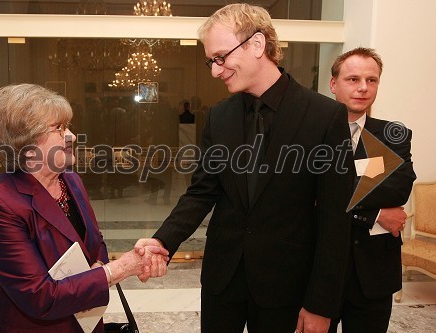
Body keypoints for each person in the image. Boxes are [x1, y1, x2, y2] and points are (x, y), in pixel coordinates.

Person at [135, 4, 354, 333]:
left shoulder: (324, 117)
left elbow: (336, 220)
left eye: (220, 57)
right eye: (211, 61)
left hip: (287, 287)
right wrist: (162, 242)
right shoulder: (220, 116)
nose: (215, 70)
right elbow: (201, 192)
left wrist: (322, 304)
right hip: (223, 282)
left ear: (256, 45)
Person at [0, 84, 168, 333]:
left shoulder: (70, 179)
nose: (72, 136)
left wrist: (101, 270)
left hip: (83, 322)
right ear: (26, 140)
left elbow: (95, 241)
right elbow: (40, 296)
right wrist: (120, 268)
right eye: (59, 128)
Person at [328, 47, 416, 333]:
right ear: (334, 84)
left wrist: (339, 186)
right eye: (353, 79)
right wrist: (375, 214)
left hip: (375, 271)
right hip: (321, 270)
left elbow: (397, 188)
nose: (363, 88)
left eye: (372, 80)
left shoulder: (394, 135)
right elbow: (309, 196)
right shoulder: (311, 135)